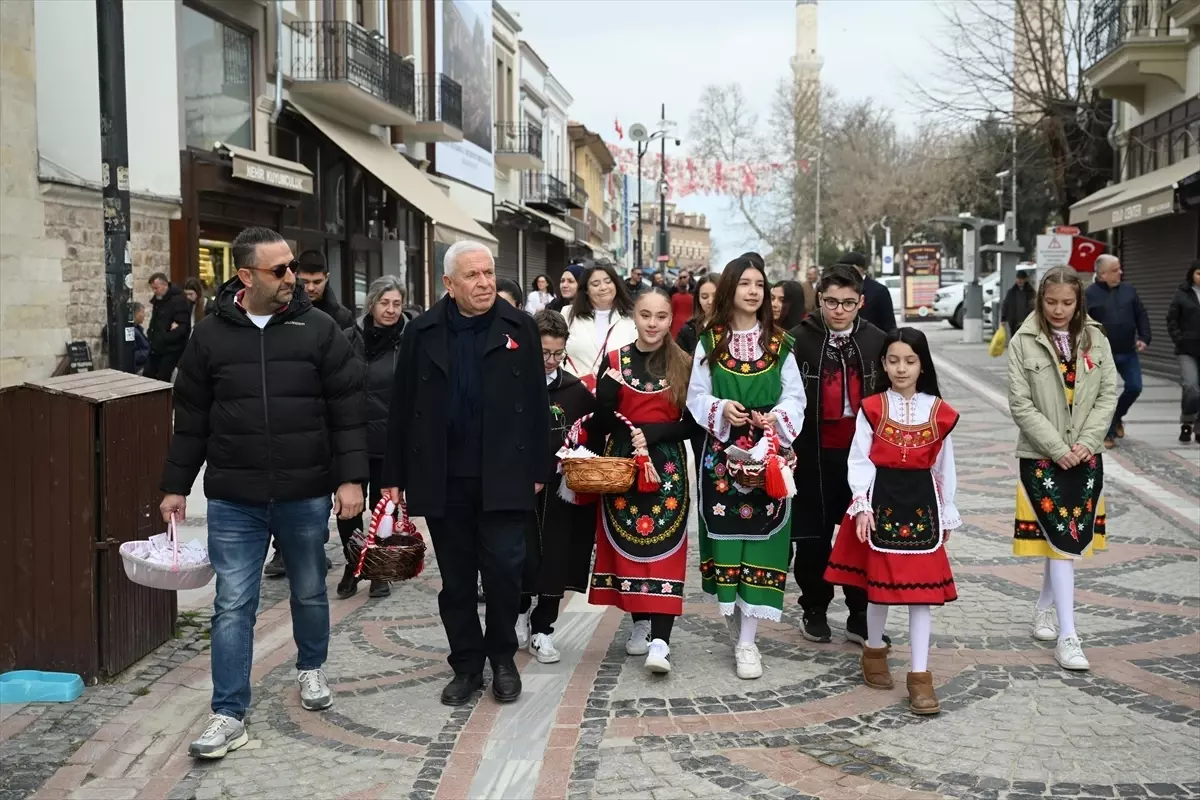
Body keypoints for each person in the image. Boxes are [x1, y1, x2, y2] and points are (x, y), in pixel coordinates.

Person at [158, 226, 367, 759]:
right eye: (279, 270)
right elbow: (192, 420)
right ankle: (228, 713)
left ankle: (311, 667)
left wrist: (350, 480)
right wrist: (176, 488)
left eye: (292, 267)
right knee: (232, 604)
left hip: (304, 490)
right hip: (235, 496)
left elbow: (348, 411)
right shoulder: (208, 335)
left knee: (309, 589)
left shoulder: (319, 329)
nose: (291, 278)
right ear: (245, 275)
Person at [382, 240, 550, 707]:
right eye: (472, 276)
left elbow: (537, 402)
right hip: (443, 472)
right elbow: (402, 407)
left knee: (503, 572)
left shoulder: (520, 326)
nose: (484, 283)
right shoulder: (421, 332)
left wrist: (539, 465)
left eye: (489, 273)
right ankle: (466, 665)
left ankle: (502, 658)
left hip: (506, 470)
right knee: (456, 579)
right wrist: (393, 475)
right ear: (448, 284)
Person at [826, 327, 961, 716]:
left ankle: (920, 676)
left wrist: (947, 507)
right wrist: (861, 505)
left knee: (923, 597)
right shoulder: (871, 408)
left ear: (922, 365)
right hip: (879, 502)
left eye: (910, 360)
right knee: (878, 589)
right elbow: (860, 459)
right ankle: (873, 651)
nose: (901, 368)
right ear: (883, 363)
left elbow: (944, 465)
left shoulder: (939, 411)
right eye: (894, 360)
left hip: (922, 507)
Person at [686, 255, 805, 680]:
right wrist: (721, 408)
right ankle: (736, 619)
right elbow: (695, 397)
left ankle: (748, 641)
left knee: (762, 541)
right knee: (727, 540)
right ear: (730, 289)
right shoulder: (708, 341)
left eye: (761, 285)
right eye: (746, 284)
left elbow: (796, 397)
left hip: (769, 453)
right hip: (721, 458)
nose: (754, 292)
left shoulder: (782, 344)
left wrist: (777, 417)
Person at [1008, 266, 1116, 672]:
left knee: (1065, 541)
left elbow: (1108, 393)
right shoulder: (1023, 341)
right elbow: (1021, 404)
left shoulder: (1096, 337)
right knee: (1061, 543)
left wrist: (1086, 443)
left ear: (1079, 301)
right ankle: (1069, 635)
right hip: (1041, 458)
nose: (1058, 310)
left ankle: (1044, 609)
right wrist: (1057, 448)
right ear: (1040, 299)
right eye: (1051, 302)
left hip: (1086, 455)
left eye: (1067, 303)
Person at [590, 288, 695, 674]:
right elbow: (601, 421)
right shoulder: (615, 360)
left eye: (661, 316)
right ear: (634, 316)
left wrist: (653, 433)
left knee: (665, 547)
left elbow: (693, 422)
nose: (653, 324)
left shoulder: (684, 362)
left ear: (671, 320)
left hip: (666, 469)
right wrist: (606, 394)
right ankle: (640, 624)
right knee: (629, 544)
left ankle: (662, 642)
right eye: (646, 315)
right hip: (623, 465)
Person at [788, 264, 887, 645]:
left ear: (861, 301)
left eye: (848, 303)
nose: (840, 310)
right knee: (814, 535)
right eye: (832, 302)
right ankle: (814, 607)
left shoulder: (878, 341)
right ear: (820, 299)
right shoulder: (798, 341)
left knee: (862, 533)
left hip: (863, 456)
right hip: (812, 453)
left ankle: (860, 613)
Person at [516, 310, 597, 663]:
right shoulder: (511, 383)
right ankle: (518, 612)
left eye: (557, 354)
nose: (550, 361)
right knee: (520, 554)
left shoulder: (574, 390)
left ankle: (543, 628)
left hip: (562, 491)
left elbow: (596, 429)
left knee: (557, 558)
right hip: (520, 489)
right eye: (543, 353)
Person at [337, 275, 407, 601]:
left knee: (385, 510)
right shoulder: (348, 339)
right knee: (349, 508)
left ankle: (379, 570)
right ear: (372, 304)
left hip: (390, 441)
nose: (391, 310)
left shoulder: (408, 343)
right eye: (385, 302)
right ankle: (353, 565)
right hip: (351, 437)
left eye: (397, 303)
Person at [1085, 254, 1149, 448]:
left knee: (1135, 387)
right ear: (1102, 274)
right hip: (1104, 353)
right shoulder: (1089, 295)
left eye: (1120, 268)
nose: (1120, 272)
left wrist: (1144, 337)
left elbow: (1141, 314)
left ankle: (1117, 416)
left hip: (1128, 351)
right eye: (1115, 270)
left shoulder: (1129, 290)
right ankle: (1109, 433)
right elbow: (1083, 324)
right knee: (1107, 395)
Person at [563, 263, 637, 390]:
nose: (603, 288)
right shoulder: (568, 313)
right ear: (586, 289)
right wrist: (568, 379)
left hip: (619, 393)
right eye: (595, 284)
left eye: (608, 282)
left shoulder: (632, 317)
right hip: (576, 391)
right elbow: (556, 353)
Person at [1166, 260, 1200, 443]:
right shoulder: (1182, 294)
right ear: (1192, 275)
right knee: (1191, 387)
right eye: (1199, 274)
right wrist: (1179, 338)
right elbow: (1172, 319)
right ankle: (1187, 421)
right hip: (1187, 349)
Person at [145, 272, 192, 381]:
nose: (154, 291)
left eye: (156, 288)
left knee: (163, 378)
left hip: (171, 349)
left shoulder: (178, 300)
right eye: (153, 289)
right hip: (156, 347)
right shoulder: (159, 300)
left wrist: (165, 337)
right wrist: (151, 335)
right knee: (148, 375)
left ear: (165, 285)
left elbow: (183, 327)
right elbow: (155, 322)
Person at [297, 249, 355, 331]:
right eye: (305, 282)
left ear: (327, 278)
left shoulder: (342, 317)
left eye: (317, 282)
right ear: (295, 277)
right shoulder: (283, 310)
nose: (311, 288)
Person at [838, 252, 896, 333]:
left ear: (856, 268)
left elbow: (889, 324)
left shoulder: (879, 290)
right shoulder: (838, 288)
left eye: (844, 268)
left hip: (872, 341)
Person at [675, 273, 718, 355]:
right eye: (704, 297)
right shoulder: (688, 331)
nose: (710, 302)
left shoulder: (737, 326)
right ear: (698, 300)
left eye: (716, 296)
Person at [1001, 269, 1036, 337]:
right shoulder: (1011, 292)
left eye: (1022, 279)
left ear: (1025, 279)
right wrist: (1003, 319)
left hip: (1027, 322)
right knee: (1014, 340)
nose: (1020, 281)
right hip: (1013, 322)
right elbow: (1006, 305)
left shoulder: (1031, 292)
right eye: (1018, 278)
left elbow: (1035, 306)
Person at [670, 270, 694, 337]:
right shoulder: (674, 294)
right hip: (677, 325)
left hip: (689, 325)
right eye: (680, 278)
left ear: (689, 277)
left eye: (684, 277)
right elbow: (672, 311)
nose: (682, 279)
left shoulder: (695, 291)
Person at [132, 302, 150, 374]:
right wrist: (151, 353)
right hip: (139, 368)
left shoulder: (138, 329)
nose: (144, 315)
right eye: (142, 312)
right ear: (136, 313)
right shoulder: (132, 332)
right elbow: (133, 355)